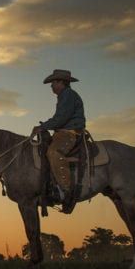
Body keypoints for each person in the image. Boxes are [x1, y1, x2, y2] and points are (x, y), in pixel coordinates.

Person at [32, 69, 86, 214]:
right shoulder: (65, 96)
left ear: (61, 82)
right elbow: (59, 118)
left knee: (54, 152)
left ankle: (66, 190)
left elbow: (61, 118)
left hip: (69, 133)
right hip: (63, 131)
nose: (51, 86)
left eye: (53, 83)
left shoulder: (67, 95)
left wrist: (42, 127)